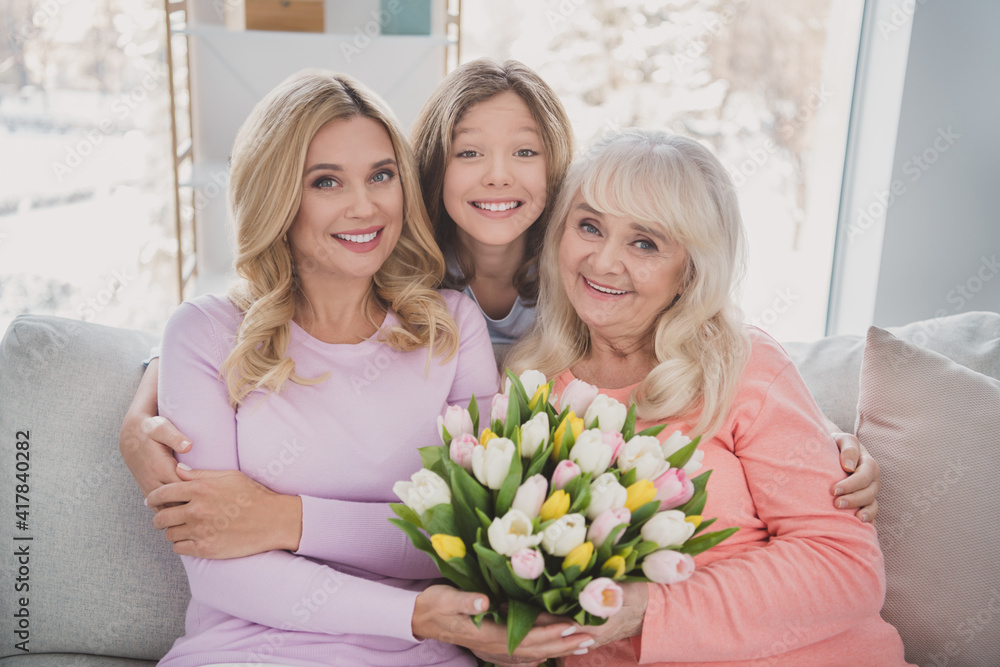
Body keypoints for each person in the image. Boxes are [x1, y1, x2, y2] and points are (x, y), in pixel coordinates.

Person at [120, 61, 879, 559]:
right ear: (432, 169)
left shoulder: (587, 281)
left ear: (556, 169)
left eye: (524, 152)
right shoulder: (403, 276)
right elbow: (271, 300)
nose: (497, 176)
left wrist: (827, 439)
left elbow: (704, 333)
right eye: (469, 151)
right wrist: (142, 400)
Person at [151, 68, 593, 666]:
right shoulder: (204, 333)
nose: (364, 206)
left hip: (425, 652)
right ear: (277, 193)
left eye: (381, 176)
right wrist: (407, 610)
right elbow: (218, 566)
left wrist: (288, 521)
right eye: (326, 181)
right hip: (249, 647)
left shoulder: (449, 326)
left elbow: (473, 534)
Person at [491, 128, 909, 666]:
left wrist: (651, 606)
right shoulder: (532, 386)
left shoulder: (742, 365)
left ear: (689, 270)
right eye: (589, 226)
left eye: (645, 242)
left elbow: (845, 568)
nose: (603, 261)